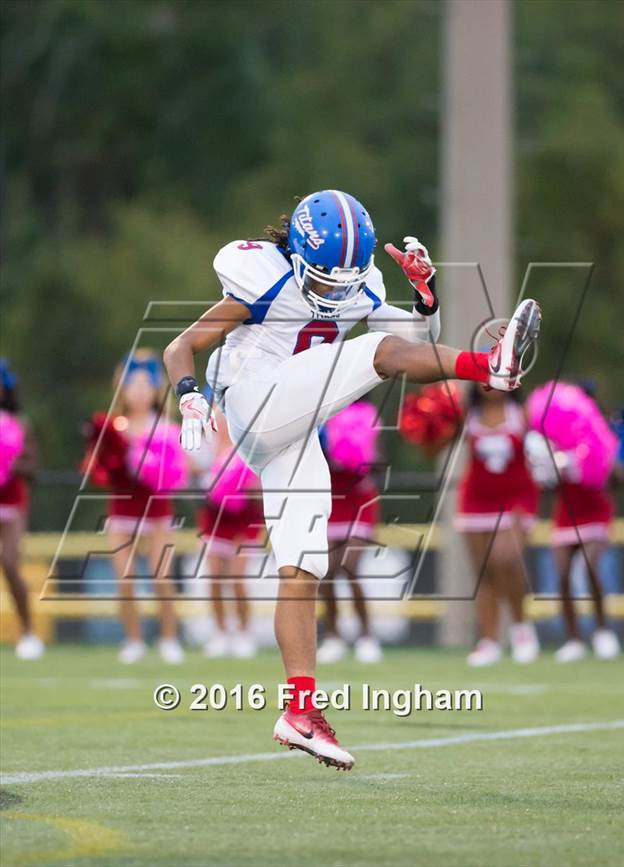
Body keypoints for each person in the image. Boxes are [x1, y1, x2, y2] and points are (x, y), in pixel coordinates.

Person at [164, 190, 542, 770]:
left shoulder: (355, 283)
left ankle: (298, 710)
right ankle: (490, 366)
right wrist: (190, 397)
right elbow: (181, 344)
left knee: (303, 566)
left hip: (294, 426)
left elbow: (413, 342)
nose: (334, 292)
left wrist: (424, 295)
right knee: (373, 350)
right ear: (297, 251)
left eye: (344, 280)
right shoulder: (263, 276)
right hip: (252, 404)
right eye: (323, 277)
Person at [83, 349, 187, 665]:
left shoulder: (167, 427)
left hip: (157, 512)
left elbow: (179, 471)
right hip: (122, 511)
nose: (139, 392)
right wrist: (113, 459)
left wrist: (154, 465)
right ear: (122, 388)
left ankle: (169, 639)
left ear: (156, 390)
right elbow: (93, 468)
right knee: (125, 578)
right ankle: (133, 640)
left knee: (161, 577)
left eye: (146, 385)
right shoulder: (113, 427)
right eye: (132, 385)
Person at [527, 381, 620, 662]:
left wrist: (587, 468)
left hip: (595, 510)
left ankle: (603, 631)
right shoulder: (555, 437)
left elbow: (614, 480)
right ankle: (574, 639)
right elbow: (546, 487)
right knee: (563, 574)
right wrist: (551, 470)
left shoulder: (602, 434)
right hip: (567, 512)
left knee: (590, 568)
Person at [454, 386, 540, 666]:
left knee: (507, 560)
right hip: (476, 500)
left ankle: (521, 629)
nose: (490, 385)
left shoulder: (522, 414)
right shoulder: (467, 415)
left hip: (515, 499)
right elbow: (434, 446)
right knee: (485, 572)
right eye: (485, 378)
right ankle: (489, 640)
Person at [317, 401, 383, 665]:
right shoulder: (320, 412)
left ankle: (366, 636)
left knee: (351, 567)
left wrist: (359, 456)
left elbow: (377, 459)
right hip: (331, 499)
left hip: (359, 499)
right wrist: (327, 451)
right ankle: (333, 636)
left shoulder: (367, 413)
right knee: (327, 572)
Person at [195, 410, 262, 659]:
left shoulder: (251, 448)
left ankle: (244, 632)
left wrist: (244, 488)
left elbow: (260, 488)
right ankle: (221, 632)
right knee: (214, 579)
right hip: (215, 520)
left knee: (237, 578)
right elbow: (189, 474)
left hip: (245, 520)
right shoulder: (205, 448)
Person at [0, 359, 44, 660]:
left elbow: (33, 468)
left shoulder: (19, 424)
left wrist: (11, 464)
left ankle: (27, 631)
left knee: (10, 563)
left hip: (12, 505)